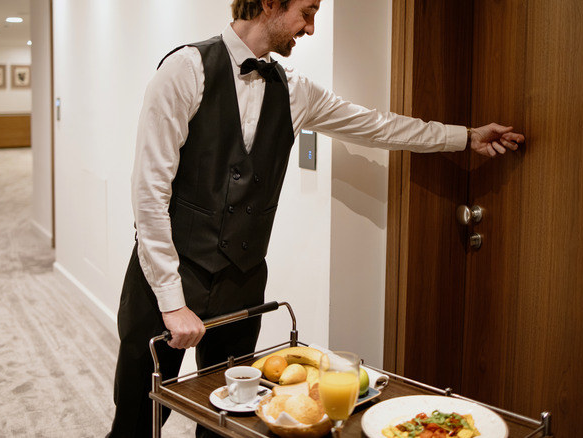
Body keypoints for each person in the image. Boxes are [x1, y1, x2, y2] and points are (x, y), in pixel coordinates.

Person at [107, 0, 525, 436]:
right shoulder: (184, 70)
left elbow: (377, 126)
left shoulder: (296, 91)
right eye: (307, 11)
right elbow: (149, 193)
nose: (310, 28)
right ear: (270, 3)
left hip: (241, 283)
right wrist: (172, 302)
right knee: (137, 421)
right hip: (166, 276)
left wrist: (465, 137)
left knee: (228, 425)